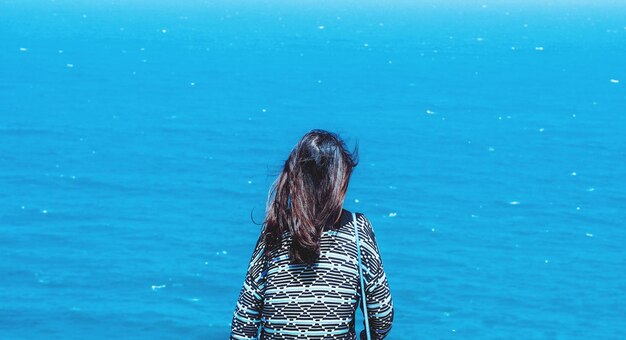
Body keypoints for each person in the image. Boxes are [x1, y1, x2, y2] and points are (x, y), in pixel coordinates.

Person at [230, 129, 393, 339]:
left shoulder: (275, 230)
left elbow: (243, 324)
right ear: (338, 183)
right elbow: (381, 317)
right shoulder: (356, 229)